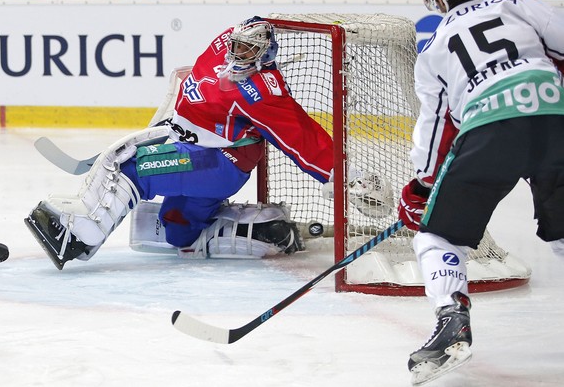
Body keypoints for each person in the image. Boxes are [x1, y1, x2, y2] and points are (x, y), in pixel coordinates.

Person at [25, 16, 391, 269]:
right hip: (208, 164)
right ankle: (259, 230)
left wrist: (347, 176)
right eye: (238, 45)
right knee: (178, 230)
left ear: (266, 54)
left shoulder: (264, 93)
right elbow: (244, 31)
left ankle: (81, 236)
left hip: (213, 162)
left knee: (130, 165)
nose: (238, 53)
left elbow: (303, 140)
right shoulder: (225, 43)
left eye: (249, 50)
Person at [397, 0, 564, 385]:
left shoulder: (433, 48)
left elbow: (434, 128)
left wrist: (422, 183)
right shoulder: (520, 4)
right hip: (555, 117)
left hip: (489, 130)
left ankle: (453, 320)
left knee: (438, 235)